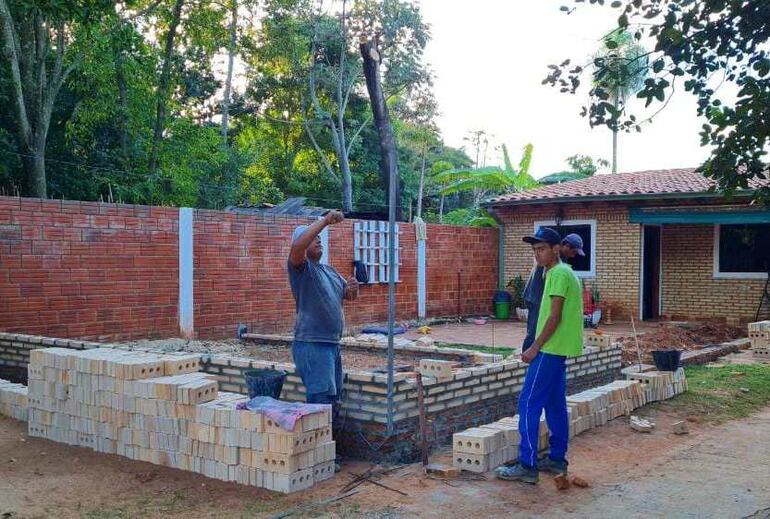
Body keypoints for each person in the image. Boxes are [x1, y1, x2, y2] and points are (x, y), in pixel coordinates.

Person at [496, 226, 584, 484]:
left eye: (542, 249)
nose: (538, 254)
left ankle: (528, 465)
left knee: (528, 403)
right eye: (535, 250)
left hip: (548, 349)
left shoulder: (557, 273)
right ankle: (557, 459)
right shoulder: (561, 272)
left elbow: (554, 316)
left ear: (557, 249)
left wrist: (534, 347)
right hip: (559, 351)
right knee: (555, 404)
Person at [288, 210, 359, 405]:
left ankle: (329, 435)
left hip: (331, 344)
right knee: (320, 402)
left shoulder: (330, 271)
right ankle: (318, 435)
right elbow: (297, 247)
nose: (319, 241)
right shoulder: (301, 269)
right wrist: (325, 221)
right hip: (312, 344)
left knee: (333, 400)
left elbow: (348, 296)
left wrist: (353, 289)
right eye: (313, 238)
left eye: (320, 239)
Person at [520, 232, 585, 353]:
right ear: (565, 246)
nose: (573, 255)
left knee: (541, 327)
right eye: (573, 251)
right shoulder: (553, 259)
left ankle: (535, 352)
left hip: (541, 298)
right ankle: (527, 354)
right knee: (534, 329)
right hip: (536, 297)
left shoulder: (559, 262)